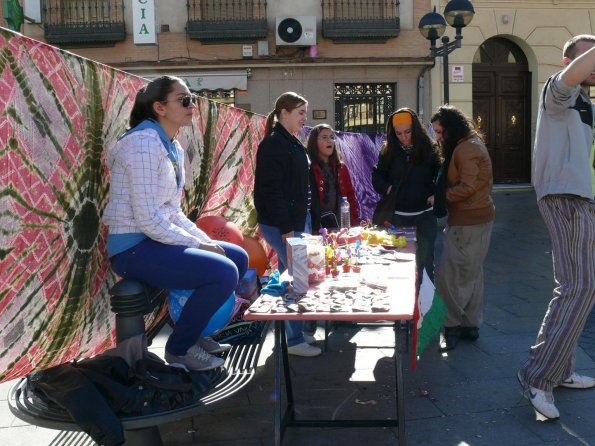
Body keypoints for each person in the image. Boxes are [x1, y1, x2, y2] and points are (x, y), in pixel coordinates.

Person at [103, 75, 249, 371]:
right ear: (159, 107)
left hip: (154, 240)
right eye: (184, 100)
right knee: (223, 272)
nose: (191, 105)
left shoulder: (171, 146)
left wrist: (203, 241)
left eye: (191, 99)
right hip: (132, 249)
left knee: (238, 256)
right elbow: (147, 218)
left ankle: (196, 334)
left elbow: (172, 211)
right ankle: (180, 349)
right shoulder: (142, 144)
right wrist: (200, 244)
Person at [517, 35, 595, 421]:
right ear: (568, 61)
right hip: (563, 195)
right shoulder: (557, 89)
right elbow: (572, 76)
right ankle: (538, 376)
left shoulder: (583, 103)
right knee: (580, 287)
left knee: (573, 287)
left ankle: (559, 368)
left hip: (578, 196)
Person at [253, 91, 322, 357]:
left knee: (289, 275)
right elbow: (270, 190)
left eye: (305, 112)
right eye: (301, 112)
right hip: (283, 223)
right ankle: (294, 341)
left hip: (295, 221)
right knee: (298, 276)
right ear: (284, 113)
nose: (305, 118)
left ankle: (296, 332)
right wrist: (286, 227)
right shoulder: (273, 144)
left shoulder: (291, 141)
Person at [430, 105, 495, 352]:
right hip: (476, 216)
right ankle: (470, 324)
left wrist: (441, 197)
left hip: (469, 219)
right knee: (472, 272)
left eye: (439, 132)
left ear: (451, 128)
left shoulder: (466, 148)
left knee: (450, 276)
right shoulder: (468, 143)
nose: (438, 137)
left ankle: (452, 325)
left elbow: (468, 186)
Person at [372, 108, 441, 282]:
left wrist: (436, 193)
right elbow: (377, 175)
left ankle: (425, 306)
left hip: (424, 217)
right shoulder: (389, 150)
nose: (404, 137)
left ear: (415, 129)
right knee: (398, 263)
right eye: (399, 133)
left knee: (425, 263)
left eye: (408, 132)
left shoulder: (430, 148)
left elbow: (441, 175)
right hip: (397, 217)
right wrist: (387, 188)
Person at [306, 124, 359, 231]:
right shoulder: (308, 167)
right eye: (324, 137)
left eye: (332, 137)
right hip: (317, 226)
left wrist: (353, 218)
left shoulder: (342, 167)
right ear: (314, 142)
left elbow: (350, 194)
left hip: (340, 224)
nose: (330, 140)